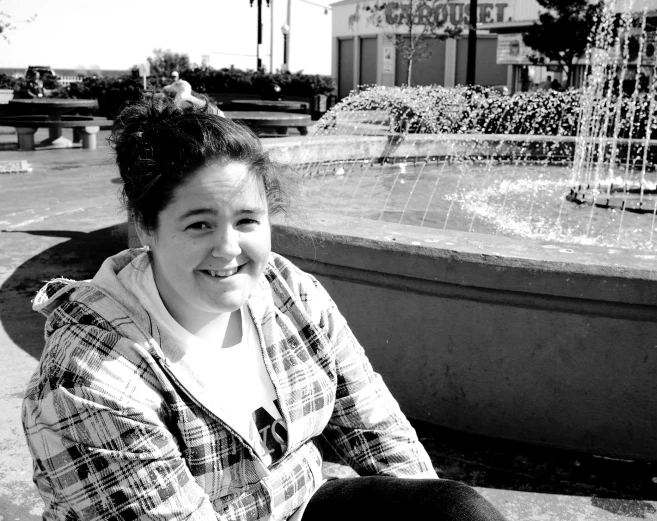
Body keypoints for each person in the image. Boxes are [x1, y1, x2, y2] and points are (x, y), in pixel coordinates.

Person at [21, 97, 508, 521]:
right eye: (199, 225)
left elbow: (374, 425)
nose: (229, 248)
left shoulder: (286, 289)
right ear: (147, 228)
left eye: (247, 220)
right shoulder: (90, 380)